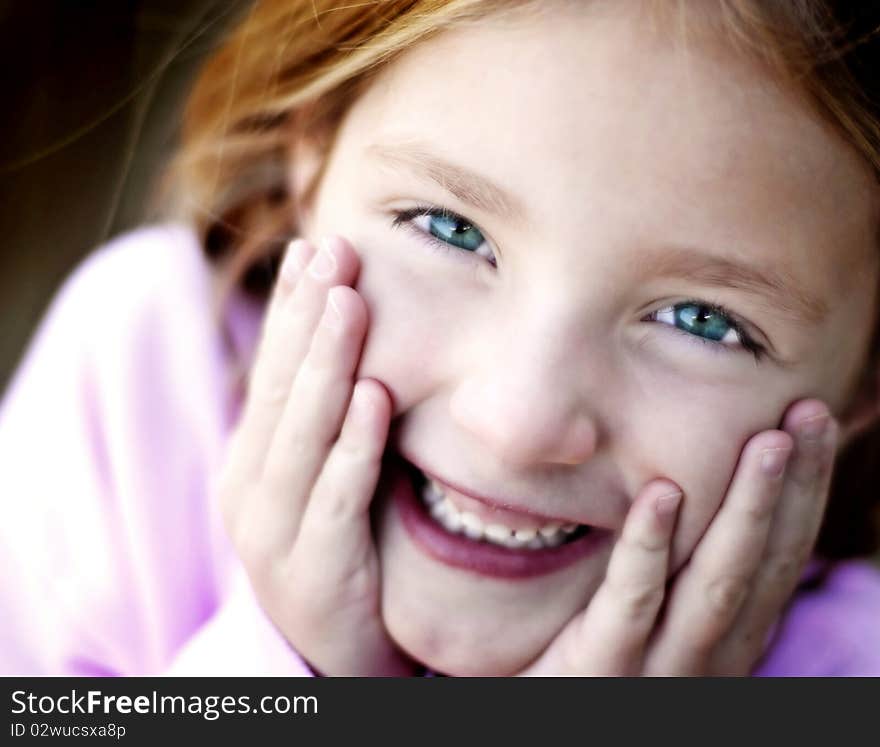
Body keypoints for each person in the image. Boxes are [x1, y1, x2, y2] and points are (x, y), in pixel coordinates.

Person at [2, 0, 879, 677]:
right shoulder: (146, 370)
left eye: (703, 321)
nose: (519, 420)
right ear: (316, 153)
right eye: (450, 229)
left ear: (864, 383)